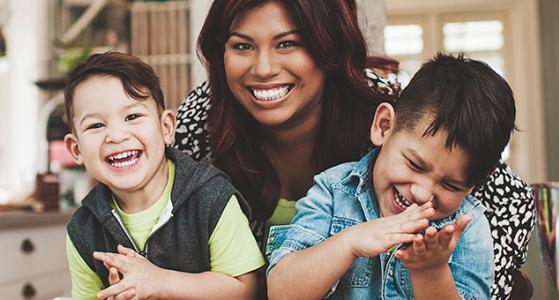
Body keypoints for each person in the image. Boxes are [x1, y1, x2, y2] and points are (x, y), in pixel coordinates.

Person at [173, 0, 535, 298]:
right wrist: (349, 242)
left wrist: (432, 270)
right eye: (242, 45)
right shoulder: (203, 120)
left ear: (327, 46)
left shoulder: (394, 112)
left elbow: (509, 196)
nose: (264, 68)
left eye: (287, 43)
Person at [266, 53, 514, 299]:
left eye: (450, 184)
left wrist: (431, 273)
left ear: (474, 184)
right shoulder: (334, 190)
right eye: (415, 165)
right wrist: (348, 243)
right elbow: (281, 292)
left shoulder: (467, 227)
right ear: (384, 126)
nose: (422, 193)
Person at [63, 52, 264, 299]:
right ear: (76, 149)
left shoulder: (211, 198)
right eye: (96, 125)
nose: (116, 135)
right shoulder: (83, 229)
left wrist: (160, 282)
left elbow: (245, 290)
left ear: (166, 128)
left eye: (132, 116)